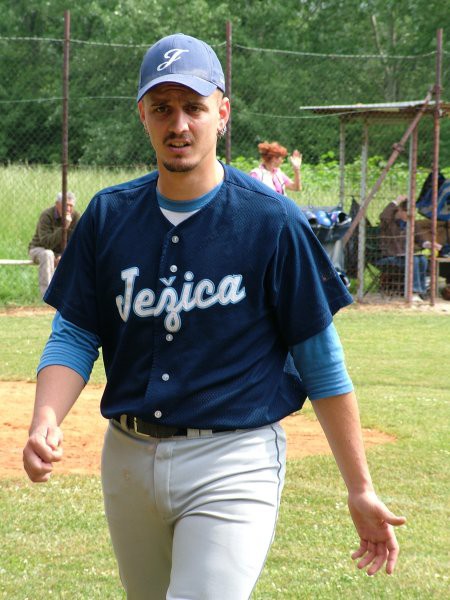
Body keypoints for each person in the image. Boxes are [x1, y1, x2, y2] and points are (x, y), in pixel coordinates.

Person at [23, 33, 406, 599]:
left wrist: (360, 487)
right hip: (127, 457)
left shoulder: (272, 222)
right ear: (143, 117)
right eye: (163, 108)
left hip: (234, 460)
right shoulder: (109, 215)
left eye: (194, 107)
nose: (179, 124)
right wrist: (44, 418)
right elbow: (76, 333)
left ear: (221, 113)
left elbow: (320, 361)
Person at [379, 195, 441, 301]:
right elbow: (383, 216)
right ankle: (413, 292)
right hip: (390, 256)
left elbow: (421, 240)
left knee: (422, 259)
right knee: (414, 261)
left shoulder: (412, 224)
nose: (409, 215)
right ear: (399, 210)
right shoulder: (389, 222)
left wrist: (429, 244)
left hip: (407, 256)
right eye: (406, 212)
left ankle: (421, 291)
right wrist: (396, 201)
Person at [28, 191, 80, 297]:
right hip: (39, 248)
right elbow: (45, 242)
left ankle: (71, 295)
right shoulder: (46, 215)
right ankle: (48, 296)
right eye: (66, 205)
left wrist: (63, 255)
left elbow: (77, 241)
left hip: (60, 253)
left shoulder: (76, 217)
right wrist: (64, 228)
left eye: (71, 206)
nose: (68, 209)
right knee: (48, 254)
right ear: (57, 204)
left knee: (79, 256)